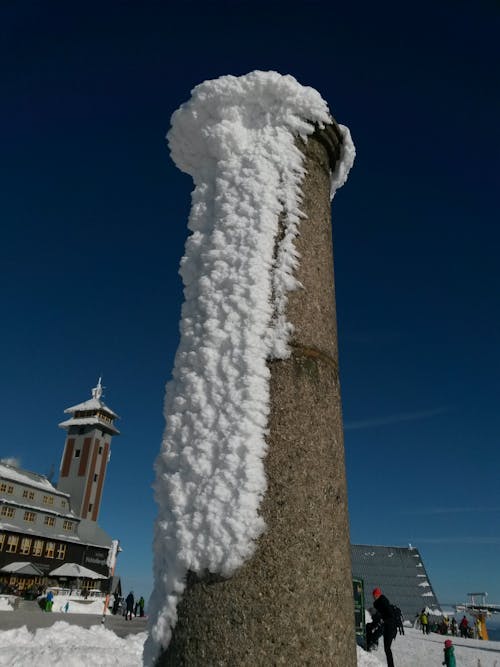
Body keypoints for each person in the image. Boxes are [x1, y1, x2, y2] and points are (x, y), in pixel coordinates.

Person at [372, 587, 397, 667]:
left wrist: (383, 620)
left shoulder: (383, 602)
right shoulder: (378, 603)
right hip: (386, 626)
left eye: (375, 595)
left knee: (387, 648)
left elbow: (391, 616)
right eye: (374, 595)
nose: (374, 596)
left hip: (390, 627)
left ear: (378, 594)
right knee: (386, 648)